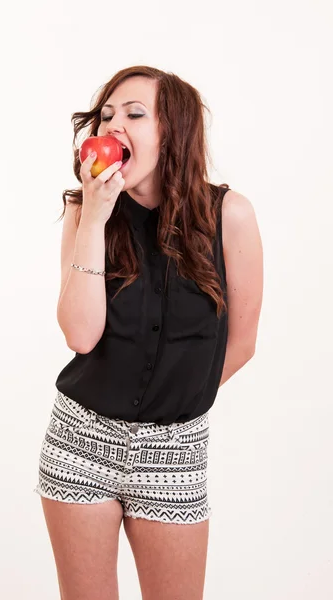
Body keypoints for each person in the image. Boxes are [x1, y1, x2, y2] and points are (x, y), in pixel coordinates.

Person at [34, 65, 263, 600]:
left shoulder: (230, 214)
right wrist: (94, 217)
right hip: (80, 441)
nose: (114, 124)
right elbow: (80, 336)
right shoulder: (84, 212)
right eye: (107, 114)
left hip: (176, 449)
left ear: (172, 132)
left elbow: (243, 343)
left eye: (135, 114)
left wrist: (171, 405)